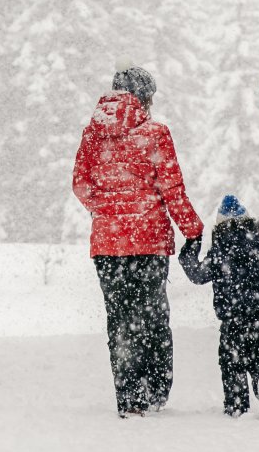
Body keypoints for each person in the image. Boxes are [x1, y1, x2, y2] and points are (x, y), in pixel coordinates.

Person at [72, 65, 205, 417]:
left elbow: (80, 184)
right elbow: (172, 189)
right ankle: (156, 389)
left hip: (108, 246)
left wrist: (107, 212)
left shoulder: (92, 134)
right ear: (144, 96)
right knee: (152, 318)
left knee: (119, 320)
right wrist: (193, 229)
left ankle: (129, 397)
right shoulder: (155, 133)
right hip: (149, 243)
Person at [178, 195, 259, 418]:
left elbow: (196, 274)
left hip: (231, 320)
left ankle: (236, 404)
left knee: (232, 363)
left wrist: (189, 249)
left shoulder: (219, 254)